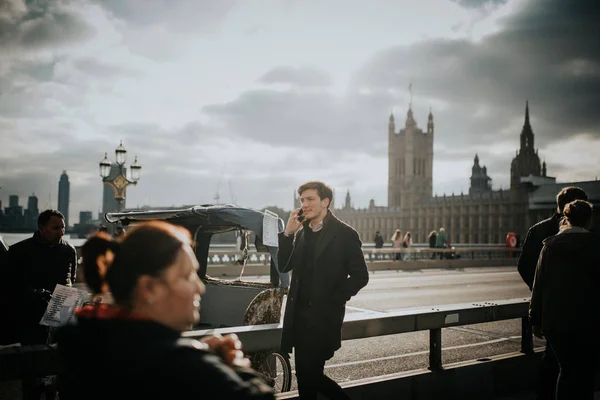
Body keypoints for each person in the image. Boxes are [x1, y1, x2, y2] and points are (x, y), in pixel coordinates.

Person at [55, 221, 274, 400]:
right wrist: (235, 366)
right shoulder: (184, 369)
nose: (200, 287)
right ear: (149, 288)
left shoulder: (83, 344)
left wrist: (199, 355)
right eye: (187, 276)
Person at [278, 181, 369, 400]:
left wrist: (334, 298)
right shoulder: (300, 233)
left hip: (323, 318)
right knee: (306, 378)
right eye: (302, 200)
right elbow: (284, 266)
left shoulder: (345, 234)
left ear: (325, 202)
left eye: (310, 199)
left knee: (311, 375)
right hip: (298, 319)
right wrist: (287, 234)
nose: (304, 205)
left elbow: (360, 276)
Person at [517, 186, 588, 400]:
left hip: (553, 311)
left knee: (554, 364)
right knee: (582, 368)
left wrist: (542, 296)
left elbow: (525, 267)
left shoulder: (540, 232)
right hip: (585, 313)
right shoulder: (591, 239)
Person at [529, 200, 600, 400]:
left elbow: (539, 285)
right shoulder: (595, 245)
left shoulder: (550, 246)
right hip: (589, 320)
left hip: (556, 321)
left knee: (566, 370)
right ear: (589, 220)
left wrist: (535, 319)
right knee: (586, 372)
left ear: (565, 219)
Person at [6, 209, 77, 345]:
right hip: (31, 313)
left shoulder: (69, 250)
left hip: (63, 309)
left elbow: (71, 278)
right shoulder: (19, 250)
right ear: (41, 228)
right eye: (56, 228)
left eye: (63, 228)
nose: (61, 232)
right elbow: (10, 283)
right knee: (33, 355)